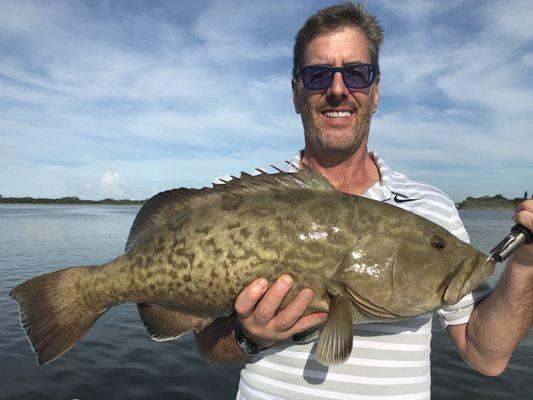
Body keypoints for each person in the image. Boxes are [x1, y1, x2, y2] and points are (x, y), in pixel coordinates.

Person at [195, 3, 533, 399]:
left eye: (356, 73)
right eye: (318, 74)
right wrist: (248, 337)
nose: (338, 89)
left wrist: (525, 261)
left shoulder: (432, 206)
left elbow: (485, 356)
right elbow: (206, 346)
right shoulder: (231, 207)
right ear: (295, 92)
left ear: (374, 91)